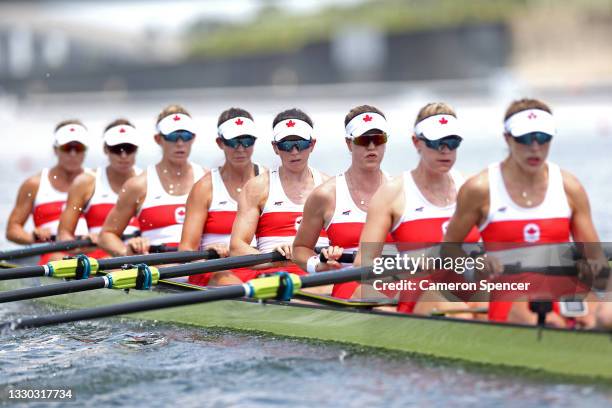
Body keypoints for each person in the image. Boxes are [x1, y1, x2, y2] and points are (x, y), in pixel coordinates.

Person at [443, 98, 606, 328]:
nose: (535, 147)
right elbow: (448, 248)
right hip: (512, 295)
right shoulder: (480, 189)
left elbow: (595, 258)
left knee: (607, 316)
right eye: (525, 138)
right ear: (507, 138)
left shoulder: (570, 187)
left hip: (565, 290)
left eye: (542, 138)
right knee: (552, 324)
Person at [355, 102, 480, 316]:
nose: (445, 150)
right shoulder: (392, 194)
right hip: (421, 293)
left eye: (452, 142)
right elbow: (363, 263)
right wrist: (410, 263)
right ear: (416, 142)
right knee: (459, 312)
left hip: (468, 288)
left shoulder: (472, 188)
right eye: (436, 142)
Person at [293, 105, 391, 298]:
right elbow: (299, 249)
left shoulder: (399, 190)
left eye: (378, 139)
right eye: (364, 140)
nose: (371, 147)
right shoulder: (325, 195)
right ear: (349, 143)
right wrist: (318, 265)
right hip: (350, 283)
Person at [229, 108, 329, 279]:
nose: (294, 152)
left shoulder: (329, 187)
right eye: (286, 145)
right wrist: (272, 260)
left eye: (301, 144)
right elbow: (237, 247)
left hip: (319, 274)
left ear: (312, 145)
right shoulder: (257, 187)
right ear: (275, 148)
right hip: (274, 275)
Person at [98, 105, 205, 256]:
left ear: (193, 138)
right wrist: (126, 251)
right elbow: (106, 236)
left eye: (186, 136)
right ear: (158, 139)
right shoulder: (138, 185)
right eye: (172, 136)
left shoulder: (207, 180)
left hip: (201, 270)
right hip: (157, 272)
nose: (180, 143)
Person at [179, 107, 266, 286]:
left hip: (258, 266)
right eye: (233, 142)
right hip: (215, 269)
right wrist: (209, 254)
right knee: (228, 281)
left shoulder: (268, 181)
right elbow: (186, 249)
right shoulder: (205, 187)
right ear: (220, 142)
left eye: (247, 141)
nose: (240, 148)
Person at [6, 119, 90, 263]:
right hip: (53, 254)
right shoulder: (34, 184)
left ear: (85, 151)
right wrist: (31, 237)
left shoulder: (95, 182)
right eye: (67, 148)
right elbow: (12, 229)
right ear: (55, 150)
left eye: (78, 148)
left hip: (92, 250)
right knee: (61, 259)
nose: (73, 154)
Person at [57, 119, 142, 259]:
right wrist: (80, 245)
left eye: (129, 148)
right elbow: (63, 236)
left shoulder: (146, 181)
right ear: (105, 149)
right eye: (116, 149)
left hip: (139, 257)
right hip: (98, 258)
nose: (123, 156)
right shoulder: (85, 183)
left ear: (136, 149)